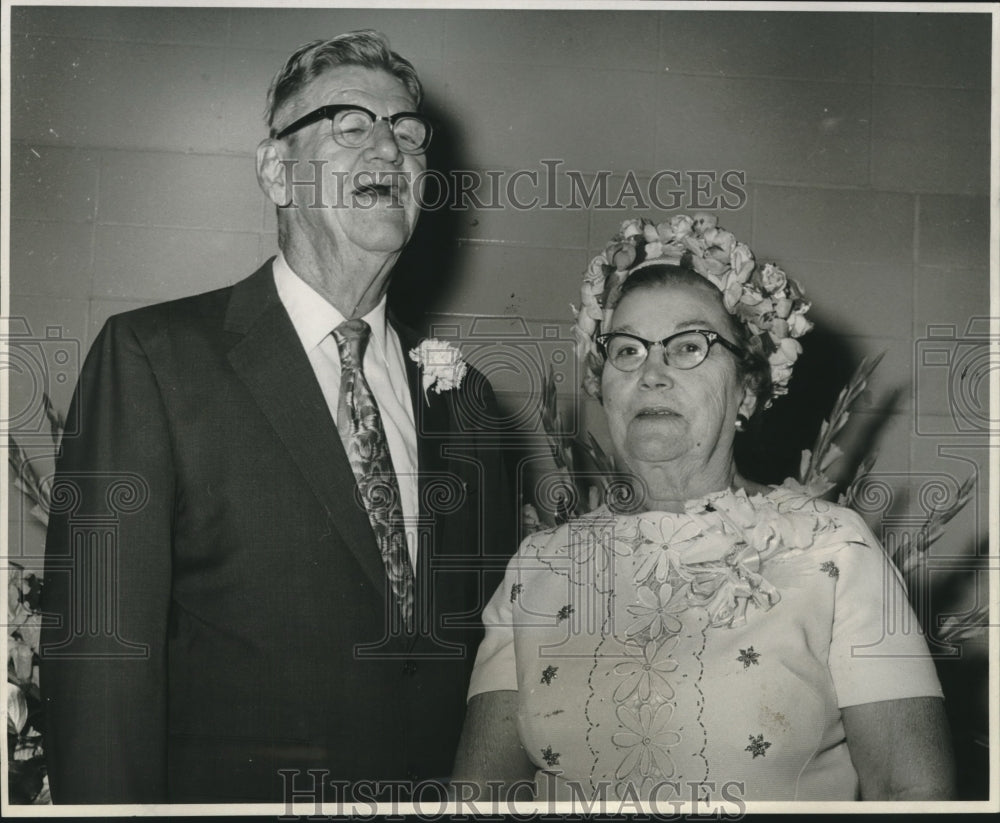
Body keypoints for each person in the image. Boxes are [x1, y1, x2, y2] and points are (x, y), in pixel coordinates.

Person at [40, 30, 513, 804]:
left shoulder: (466, 404)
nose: (388, 149)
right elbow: (100, 666)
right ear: (276, 171)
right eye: (350, 125)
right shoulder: (154, 360)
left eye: (406, 131)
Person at [452, 215, 955, 804]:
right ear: (602, 386)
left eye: (690, 347)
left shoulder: (832, 549)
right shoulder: (540, 566)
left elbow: (912, 787)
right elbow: (477, 798)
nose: (652, 374)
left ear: (746, 389)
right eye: (626, 350)